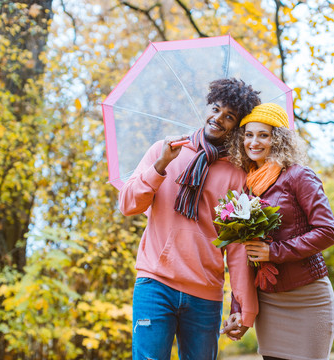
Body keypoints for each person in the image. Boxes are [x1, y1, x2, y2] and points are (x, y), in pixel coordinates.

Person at [118, 78, 261, 360]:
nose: (218, 118)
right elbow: (128, 204)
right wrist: (160, 166)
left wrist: (244, 307)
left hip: (204, 293)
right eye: (216, 109)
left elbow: (237, 247)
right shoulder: (166, 150)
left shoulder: (237, 175)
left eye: (229, 116)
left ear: (237, 126)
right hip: (155, 284)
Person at [221, 103, 334, 360]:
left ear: (279, 138)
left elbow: (328, 231)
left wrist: (274, 251)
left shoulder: (298, 176)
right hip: (269, 302)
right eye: (249, 135)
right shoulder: (246, 188)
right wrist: (238, 306)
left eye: (264, 134)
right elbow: (245, 256)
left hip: (308, 295)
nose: (255, 142)